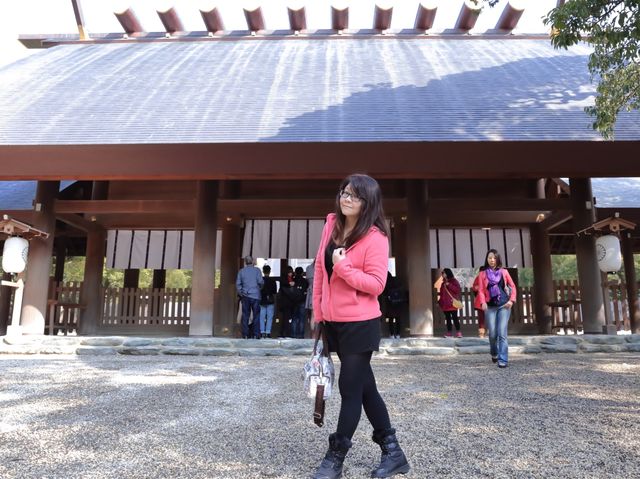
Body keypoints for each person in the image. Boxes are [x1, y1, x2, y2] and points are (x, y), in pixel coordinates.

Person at [311, 174, 410, 479]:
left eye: (354, 195)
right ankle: (393, 453)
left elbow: (377, 284)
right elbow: (318, 269)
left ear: (368, 202)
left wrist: (344, 267)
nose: (346, 198)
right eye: (344, 192)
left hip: (360, 322)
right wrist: (318, 311)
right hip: (333, 321)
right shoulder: (332, 225)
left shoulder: (376, 237)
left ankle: (336, 457)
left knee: (350, 389)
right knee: (366, 388)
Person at [474, 249, 517, 368]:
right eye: (489, 258)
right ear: (487, 260)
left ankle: (503, 359)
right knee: (492, 334)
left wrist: (511, 300)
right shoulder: (483, 274)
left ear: (497, 259)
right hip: (490, 306)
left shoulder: (504, 272)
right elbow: (481, 290)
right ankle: (494, 352)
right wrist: (483, 302)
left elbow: (512, 286)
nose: (492, 260)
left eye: (494, 258)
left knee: (502, 333)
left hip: (504, 305)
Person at [235, 255, 263, 339]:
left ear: (245, 262)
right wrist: (258, 289)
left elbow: (238, 284)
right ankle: (256, 334)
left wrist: (241, 293)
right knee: (256, 315)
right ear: (253, 262)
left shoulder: (241, 271)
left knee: (245, 315)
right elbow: (261, 282)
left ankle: (245, 334)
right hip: (255, 295)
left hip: (245, 295)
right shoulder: (257, 271)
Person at [437, 268, 462, 338]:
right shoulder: (443, 283)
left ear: (448, 273)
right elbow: (441, 294)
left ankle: (458, 332)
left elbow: (457, 290)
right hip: (445, 305)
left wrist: (449, 285)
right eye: (442, 273)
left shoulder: (454, 281)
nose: (442, 274)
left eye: (444, 273)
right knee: (447, 319)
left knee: (455, 318)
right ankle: (449, 332)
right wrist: (439, 302)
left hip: (452, 304)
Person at [381, 272, 407, 339]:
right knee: (398, 319)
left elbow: (384, 293)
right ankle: (398, 334)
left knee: (391, 319)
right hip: (398, 302)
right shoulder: (396, 281)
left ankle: (392, 334)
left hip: (390, 303)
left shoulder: (386, 283)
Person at [259, 264, 278, 338]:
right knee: (270, 317)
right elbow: (274, 292)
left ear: (263, 271)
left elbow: (259, 290)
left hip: (262, 300)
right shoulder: (273, 281)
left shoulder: (261, 280)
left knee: (261, 316)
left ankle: (262, 332)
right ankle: (268, 332)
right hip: (270, 300)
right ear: (269, 271)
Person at [290, 266, 309, 339]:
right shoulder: (304, 281)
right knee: (302, 319)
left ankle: (293, 334)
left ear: (295, 272)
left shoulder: (293, 280)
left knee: (294, 318)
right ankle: (301, 335)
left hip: (293, 301)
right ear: (302, 273)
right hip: (302, 301)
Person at [278, 266, 296, 338]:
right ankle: (285, 333)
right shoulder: (286, 280)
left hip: (286, 301)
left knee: (285, 318)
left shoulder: (284, 279)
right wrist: (290, 284)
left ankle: (283, 332)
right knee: (286, 318)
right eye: (290, 272)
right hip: (287, 301)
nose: (291, 274)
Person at [472, 266, 486, 338]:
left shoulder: (490, 277)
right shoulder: (477, 278)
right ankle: (481, 333)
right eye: (481, 271)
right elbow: (474, 287)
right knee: (481, 318)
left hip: (489, 300)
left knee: (491, 318)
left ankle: (492, 332)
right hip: (480, 301)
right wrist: (476, 287)